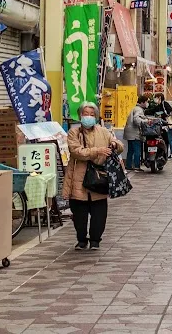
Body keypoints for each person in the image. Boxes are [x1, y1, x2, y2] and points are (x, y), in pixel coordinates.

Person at [65, 102, 124, 250]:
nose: (88, 117)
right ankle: (82, 239)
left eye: (92, 114)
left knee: (99, 214)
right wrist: (98, 151)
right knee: (79, 214)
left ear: (96, 116)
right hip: (78, 178)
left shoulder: (103, 131)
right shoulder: (74, 133)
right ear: (80, 115)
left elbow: (118, 144)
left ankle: (96, 240)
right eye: (85, 114)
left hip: (99, 178)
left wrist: (116, 145)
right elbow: (76, 151)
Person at [123, 95, 149, 169]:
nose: (147, 103)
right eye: (146, 102)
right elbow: (136, 120)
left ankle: (128, 165)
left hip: (129, 132)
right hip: (134, 133)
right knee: (137, 150)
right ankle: (137, 166)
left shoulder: (135, 108)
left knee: (130, 150)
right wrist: (146, 121)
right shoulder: (139, 109)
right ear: (142, 102)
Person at [148, 93, 172, 158]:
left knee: (170, 138)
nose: (155, 99)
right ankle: (165, 154)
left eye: (156, 97)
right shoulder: (159, 105)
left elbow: (170, 112)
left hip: (168, 124)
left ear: (160, 98)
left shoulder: (164, 104)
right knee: (166, 139)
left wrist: (162, 115)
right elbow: (152, 111)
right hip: (162, 125)